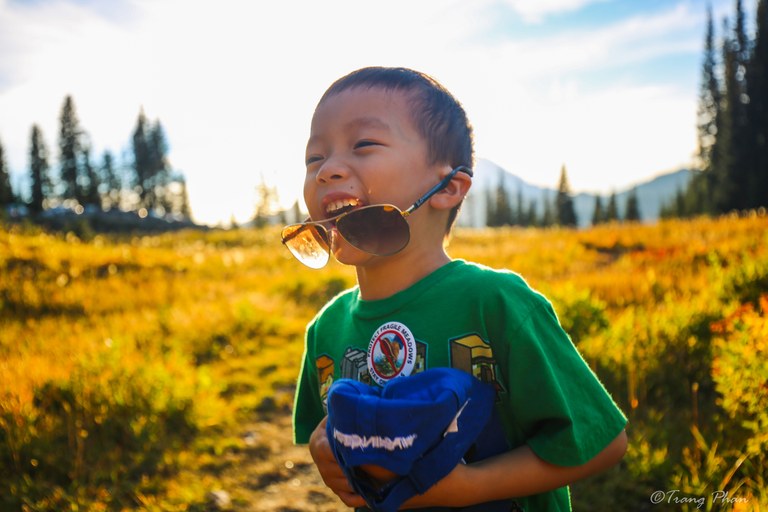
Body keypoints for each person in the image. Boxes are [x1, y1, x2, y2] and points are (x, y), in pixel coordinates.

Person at [287, 66, 628, 511]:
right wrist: (324, 449)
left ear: (448, 188)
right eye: (314, 158)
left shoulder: (497, 304)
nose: (327, 170)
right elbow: (326, 431)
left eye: (364, 144)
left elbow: (602, 443)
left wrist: (470, 486)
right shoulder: (326, 329)